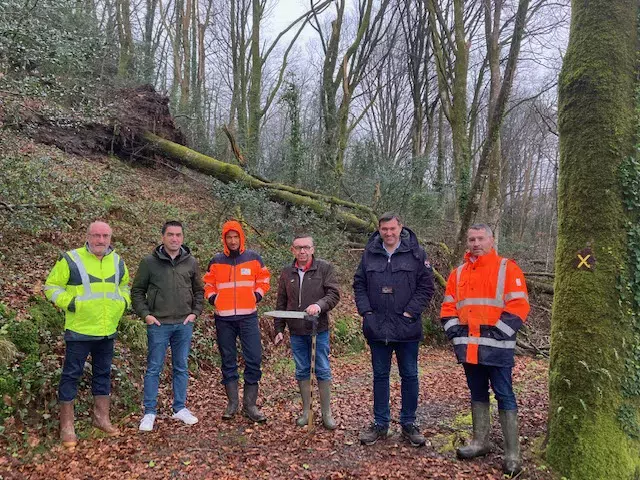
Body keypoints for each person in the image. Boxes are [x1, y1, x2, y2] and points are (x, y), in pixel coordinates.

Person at [440, 224, 530, 475]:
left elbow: (519, 306)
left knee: (504, 393)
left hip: (498, 348)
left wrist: (496, 334)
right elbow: (448, 308)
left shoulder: (507, 268)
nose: (475, 243)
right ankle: (481, 442)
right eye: (471, 239)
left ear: (491, 240)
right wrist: (455, 333)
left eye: (480, 238)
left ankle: (513, 454)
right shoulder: (457, 274)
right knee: (477, 392)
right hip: (469, 349)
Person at [44, 221, 130, 448]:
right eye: (96, 236)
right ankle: (67, 427)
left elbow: (124, 286)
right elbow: (51, 286)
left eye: (105, 236)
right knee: (71, 375)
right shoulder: (71, 259)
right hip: (79, 329)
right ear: (87, 236)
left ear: (111, 238)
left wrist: (123, 302)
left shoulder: (118, 261)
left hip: (106, 330)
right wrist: (71, 303)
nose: (100, 240)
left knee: (103, 374)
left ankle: (101, 418)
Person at [353, 212, 435, 447]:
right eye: (384, 229)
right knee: (380, 377)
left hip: (407, 328)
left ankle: (409, 423)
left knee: (409, 375)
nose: (388, 233)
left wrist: (411, 312)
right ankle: (381, 424)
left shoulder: (416, 253)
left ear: (401, 228)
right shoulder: (370, 253)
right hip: (377, 328)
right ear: (379, 230)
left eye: (392, 229)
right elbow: (358, 284)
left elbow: (426, 287)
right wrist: (366, 312)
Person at [131, 220, 204, 431]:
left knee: (181, 367)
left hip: (183, 324)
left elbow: (199, 291)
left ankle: (180, 408)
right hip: (158, 324)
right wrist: (146, 315)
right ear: (162, 236)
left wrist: (195, 313)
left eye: (178, 235)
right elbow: (137, 291)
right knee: (154, 368)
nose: (174, 238)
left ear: (183, 237)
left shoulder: (191, 262)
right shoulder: (149, 262)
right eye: (170, 234)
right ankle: (149, 412)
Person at [203, 220, 271, 422]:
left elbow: (264, 279)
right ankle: (232, 403)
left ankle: (250, 405)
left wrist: (256, 296)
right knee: (228, 360)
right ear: (224, 239)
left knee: (253, 359)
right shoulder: (216, 260)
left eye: (236, 237)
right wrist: (213, 299)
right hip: (223, 318)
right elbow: (208, 284)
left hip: (248, 316)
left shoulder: (253, 258)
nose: (232, 241)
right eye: (229, 237)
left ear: (241, 237)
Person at [274, 235, 341, 429]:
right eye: (298, 248)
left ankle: (326, 413)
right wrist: (279, 328)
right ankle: (306, 411)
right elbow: (281, 302)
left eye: (306, 247)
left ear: (312, 249)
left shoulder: (324, 268)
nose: (302, 251)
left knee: (322, 368)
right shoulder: (287, 272)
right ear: (292, 250)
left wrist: (319, 306)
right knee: (302, 369)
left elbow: (333, 294)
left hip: (318, 329)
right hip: (296, 331)